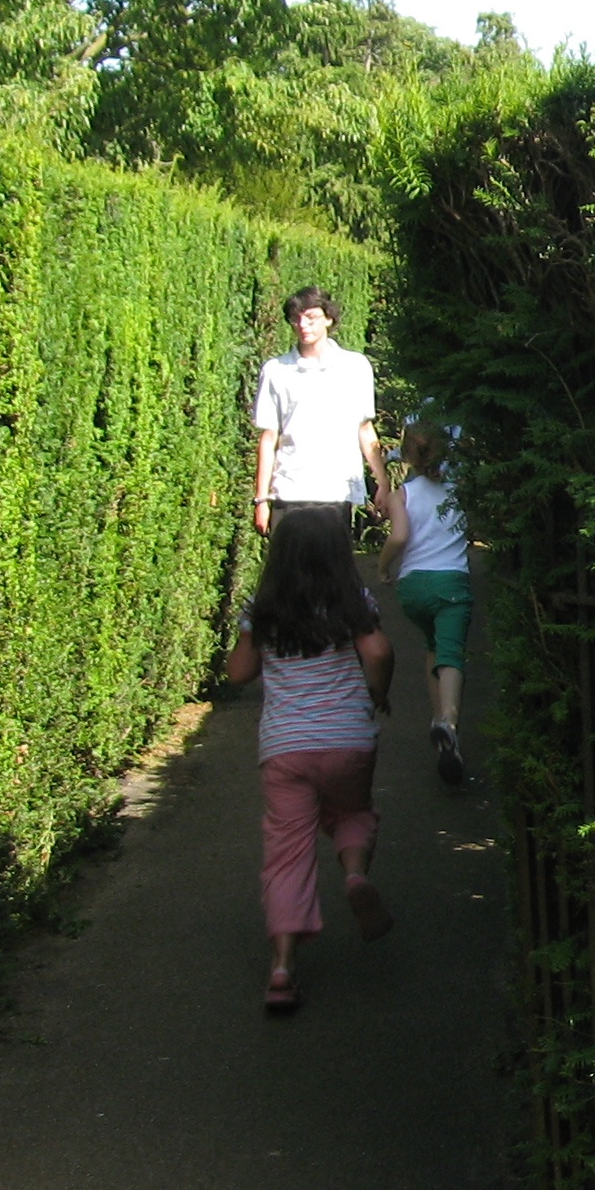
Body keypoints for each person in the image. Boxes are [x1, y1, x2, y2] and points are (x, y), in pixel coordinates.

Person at [220, 507, 395, 1014]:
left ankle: (281, 969)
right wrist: (376, 692)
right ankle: (356, 873)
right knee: (352, 812)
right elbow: (379, 651)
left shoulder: (265, 607)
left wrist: (252, 638)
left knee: (286, 853)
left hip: (285, 748)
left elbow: (238, 672)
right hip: (347, 739)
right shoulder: (352, 601)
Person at [380, 420, 474, 787]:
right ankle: (448, 724)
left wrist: (384, 567)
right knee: (451, 651)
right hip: (451, 582)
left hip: (413, 588)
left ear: (407, 455)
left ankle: (440, 731)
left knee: (432, 647)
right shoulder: (459, 491)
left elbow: (399, 536)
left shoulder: (402, 494)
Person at [252, 286, 384, 538]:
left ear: (328, 318)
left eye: (311, 317)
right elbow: (268, 439)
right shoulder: (275, 370)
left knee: (333, 576)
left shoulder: (355, 367)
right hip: (289, 492)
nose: (303, 325)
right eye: (296, 318)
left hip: (337, 492)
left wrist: (383, 482)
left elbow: (365, 430)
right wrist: (261, 500)